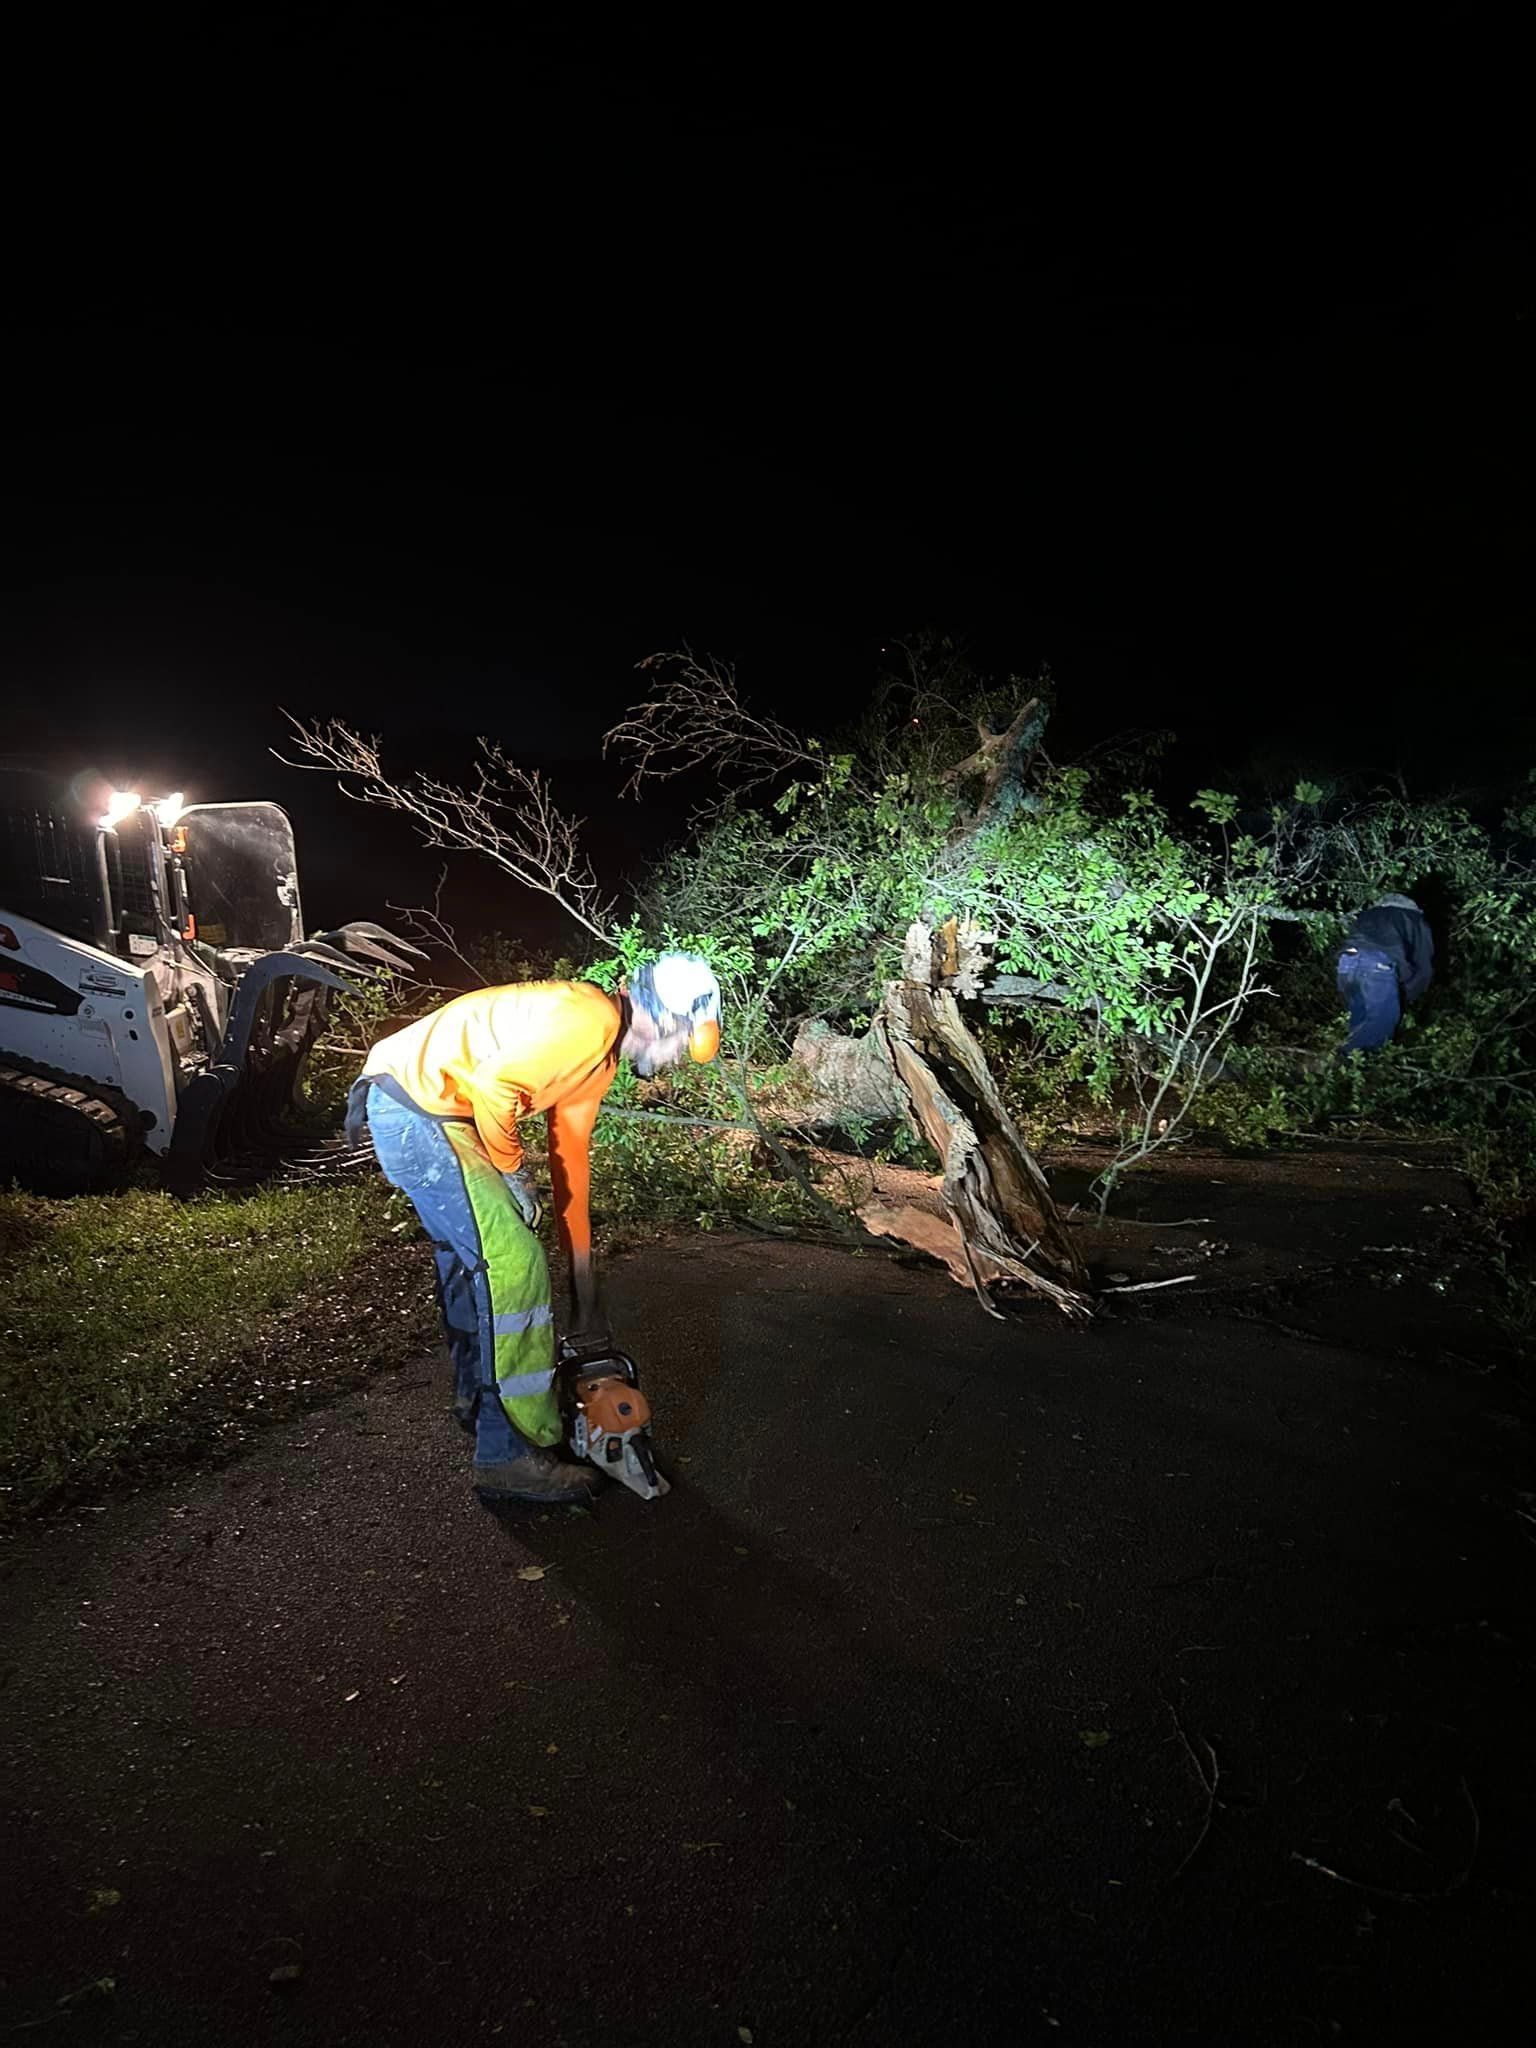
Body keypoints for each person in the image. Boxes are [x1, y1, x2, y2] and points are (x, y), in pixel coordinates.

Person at [347, 954, 722, 1504]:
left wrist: (582, 1270)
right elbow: (496, 1089)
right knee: (513, 1266)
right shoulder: (589, 1021)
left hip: (424, 1108)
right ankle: (504, 1457)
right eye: (680, 1039)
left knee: (470, 1262)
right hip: (419, 1111)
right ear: (661, 1018)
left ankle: (477, 1402)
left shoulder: (599, 1060)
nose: (673, 1058)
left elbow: (570, 1161)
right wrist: (514, 1173)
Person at [1337, 893, 1434, 1054]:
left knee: (1361, 1021)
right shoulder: (1414, 919)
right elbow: (1423, 967)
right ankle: (1342, 1060)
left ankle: (1351, 1069)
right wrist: (1405, 996)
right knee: (1381, 1024)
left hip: (1347, 963)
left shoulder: (1368, 914)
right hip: (1376, 965)